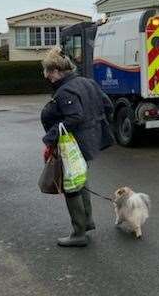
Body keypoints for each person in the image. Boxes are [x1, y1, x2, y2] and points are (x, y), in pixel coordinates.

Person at [40, 47, 114, 247]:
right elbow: (108, 106)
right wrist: (96, 127)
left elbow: (74, 117)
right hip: (89, 142)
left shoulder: (65, 91)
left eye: (47, 72)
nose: (46, 76)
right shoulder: (87, 82)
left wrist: (50, 138)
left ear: (56, 71)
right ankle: (87, 221)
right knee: (79, 178)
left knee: (71, 185)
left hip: (73, 145)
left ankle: (79, 233)